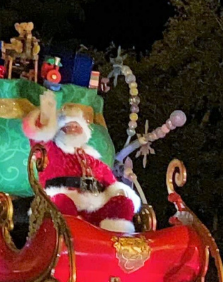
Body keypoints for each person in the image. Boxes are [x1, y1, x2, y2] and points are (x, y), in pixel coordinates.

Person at [22, 90, 140, 234]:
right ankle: (72, 243)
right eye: (67, 127)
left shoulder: (94, 160)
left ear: (83, 131)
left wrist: (120, 193)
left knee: (123, 203)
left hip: (96, 204)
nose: (72, 129)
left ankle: (113, 245)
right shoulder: (52, 151)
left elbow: (111, 183)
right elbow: (39, 139)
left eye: (76, 127)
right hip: (64, 202)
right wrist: (46, 116)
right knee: (61, 202)